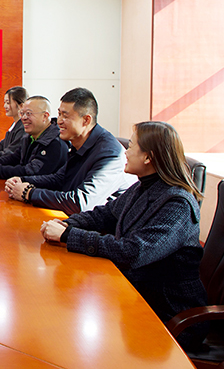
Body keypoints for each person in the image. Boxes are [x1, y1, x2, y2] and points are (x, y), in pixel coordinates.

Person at [41, 121, 207, 350]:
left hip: (168, 314)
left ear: (148, 158)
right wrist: (65, 224)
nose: (125, 152)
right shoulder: (143, 187)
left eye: (131, 146)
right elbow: (103, 215)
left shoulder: (177, 204)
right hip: (135, 294)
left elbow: (133, 252)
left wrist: (68, 235)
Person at [5, 87, 134, 215]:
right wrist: (22, 180)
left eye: (65, 116)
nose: (59, 121)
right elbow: (60, 178)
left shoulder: (109, 154)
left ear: (86, 120)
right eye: (59, 114)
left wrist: (28, 193)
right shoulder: (78, 143)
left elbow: (81, 203)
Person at [0, 96, 68, 179]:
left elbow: (31, 171)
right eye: (22, 113)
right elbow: (13, 158)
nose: (23, 118)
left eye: (29, 113)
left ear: (45, 116)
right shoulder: (29, 137)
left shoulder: (55, 143)